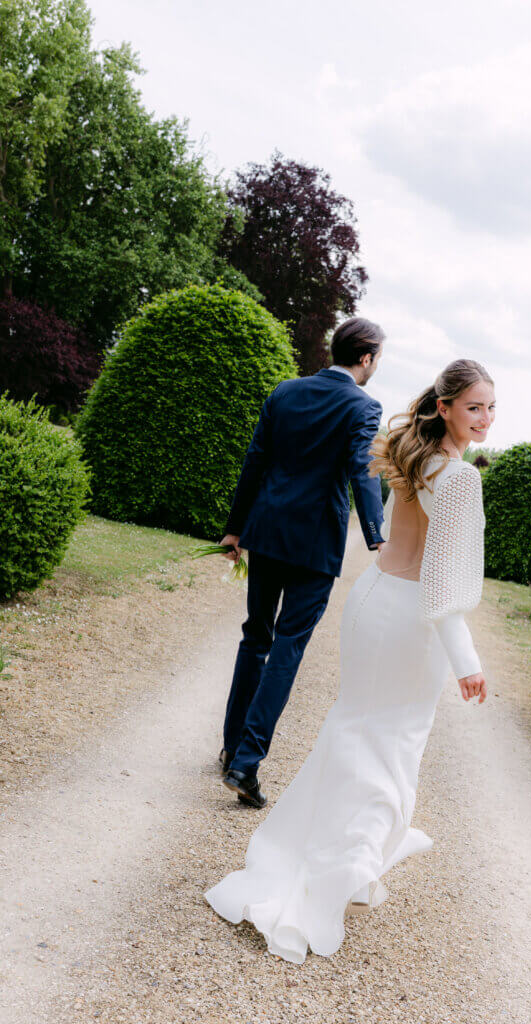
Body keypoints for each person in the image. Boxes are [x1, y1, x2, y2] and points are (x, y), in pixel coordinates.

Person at [205, 358, 495, 963]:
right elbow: (443, 585)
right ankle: (341, 869)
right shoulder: (458, 477)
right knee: (394, 740)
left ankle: (337, 858)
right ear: (444, 407)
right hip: (411, 617)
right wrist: (466, 660)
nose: (485, 418)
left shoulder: (413, 453)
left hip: (371, 601)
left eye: (492, 408)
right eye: (474, 407)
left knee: (354, 726)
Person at [218, 317, 387, 809]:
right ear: (368, 357)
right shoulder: (364, 405)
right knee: (288, 645)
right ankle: (245, 761)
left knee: (256, 636)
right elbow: (363, 468)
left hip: (267, 531)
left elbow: (256, 459)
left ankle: (232, 747)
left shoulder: (285, 392)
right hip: (314, 547)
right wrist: (378, 538)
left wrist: (235, 527)